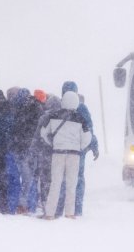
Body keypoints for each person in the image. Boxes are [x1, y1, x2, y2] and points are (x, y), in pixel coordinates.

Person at [40, 91, 91, 219]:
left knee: (55, 183)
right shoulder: (81, 118)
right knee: (71, 184)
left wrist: (52, 143)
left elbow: (43, 132)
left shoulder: (53, 116)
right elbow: (87, 137)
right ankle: (69, 213)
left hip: (58, 153)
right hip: (74, 155)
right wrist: (80, 147)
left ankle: (50, 213)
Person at [56, 81, 99, 217]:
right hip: (78, 150)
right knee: (78, 179)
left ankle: (59, 208)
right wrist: (93, 146)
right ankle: (76, 208)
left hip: (60, 149)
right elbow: (89, 130)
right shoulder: (82, 108)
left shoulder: (58, 106)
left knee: (60, 178)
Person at [10, 88, 43, 214]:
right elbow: (38, 129)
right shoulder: (36, 107)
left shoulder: (17, 108)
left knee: (19, 178)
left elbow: (15, 128)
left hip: (18, 146)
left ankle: (19, 205)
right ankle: (27, 205)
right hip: (29, 147)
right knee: (29, 178)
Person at [28, 94, 61, 213]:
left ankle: (46, 203)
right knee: (56, 180)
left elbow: (37, 135)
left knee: (45, 179)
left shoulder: (44, 117)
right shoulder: (63, 117)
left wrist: (33, 151)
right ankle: (56, 205)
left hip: (45, 152)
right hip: (59, 153)